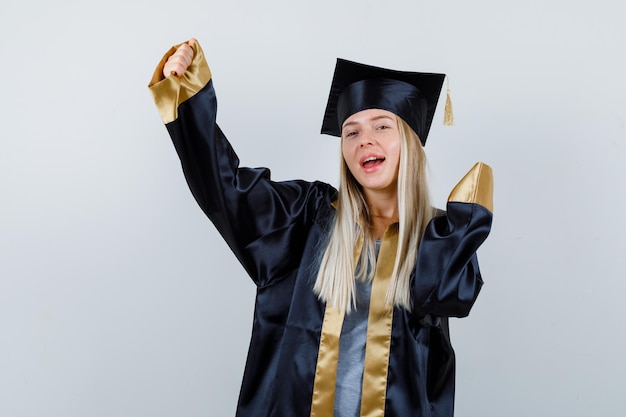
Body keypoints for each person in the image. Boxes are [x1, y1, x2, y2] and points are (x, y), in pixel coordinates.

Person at [148, 38, 493, 417]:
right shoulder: (306, 217)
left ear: (409, 142)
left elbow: (449, 296)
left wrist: (466, 226)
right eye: (352, 132)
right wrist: (187, 93)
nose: (366, 141)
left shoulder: (434, 237)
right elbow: (225, 189)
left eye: (382, 125)